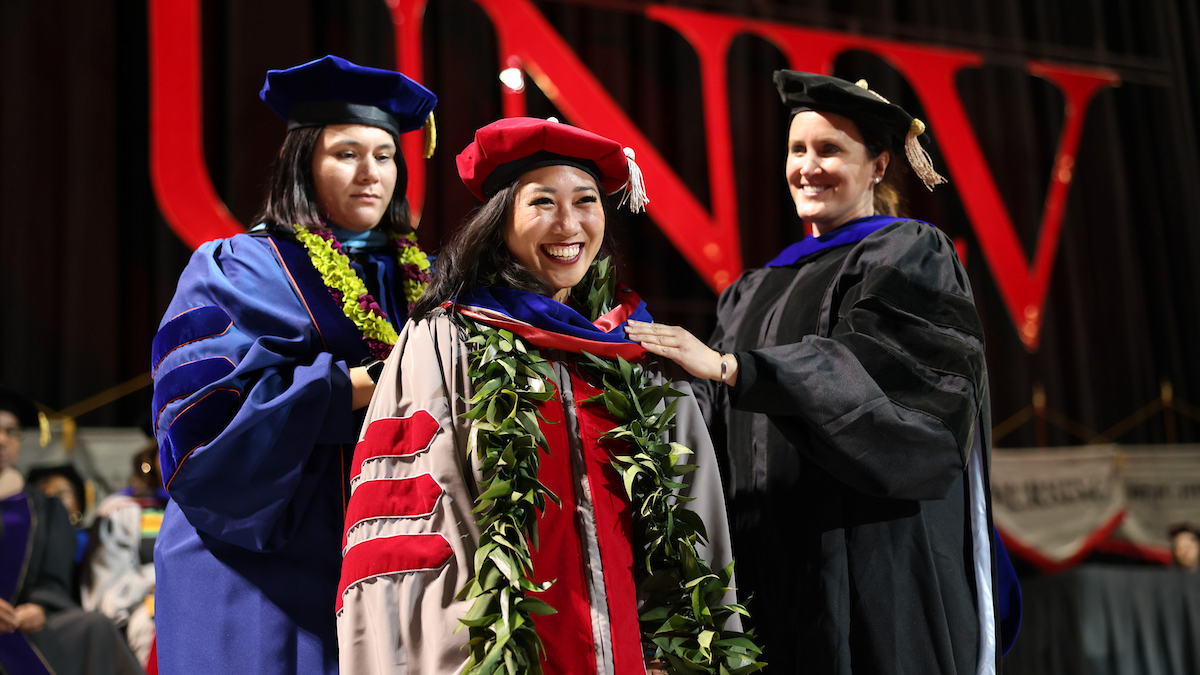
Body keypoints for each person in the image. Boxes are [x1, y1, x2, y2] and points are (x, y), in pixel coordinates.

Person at [336, 117, 758, 675]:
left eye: (586, 201)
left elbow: (687, 518)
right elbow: (406, 526)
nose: (569, 224)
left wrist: (677, 650)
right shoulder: (446, 338)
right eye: (542, 203)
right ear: (499, 221)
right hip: (488, 652)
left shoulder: (635, 348)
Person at [626, 71, 1002, 674]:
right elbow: (712, 410)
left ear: (878, 166)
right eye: (797, 150)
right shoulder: (750, 289)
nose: (808, 166)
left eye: (830, 150)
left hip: (870, 550)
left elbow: (885, 375)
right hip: (767, 553)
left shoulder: (909, 252)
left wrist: (733, 368)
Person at [150, 55, 436, 674]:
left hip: (391, 563)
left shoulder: (431, 278)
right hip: (255, 561)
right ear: (302, 161)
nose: (371, 174)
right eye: (347, 154)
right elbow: (198, 422)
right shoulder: (236, 267)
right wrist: (357, 388)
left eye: (385, 156)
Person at [0, 386, 144, 675]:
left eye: (11, 431)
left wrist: (40, 608)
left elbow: (52, 580)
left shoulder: (44, 508)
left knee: (95, 627)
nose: (2, 440)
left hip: (20, 622)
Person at [81, 443, 169, 667]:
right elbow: (107, 600)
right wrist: (164, 576)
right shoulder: (124, 510)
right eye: (166, 446)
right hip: (146, 619)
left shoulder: (212, 509)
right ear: (151, 458)